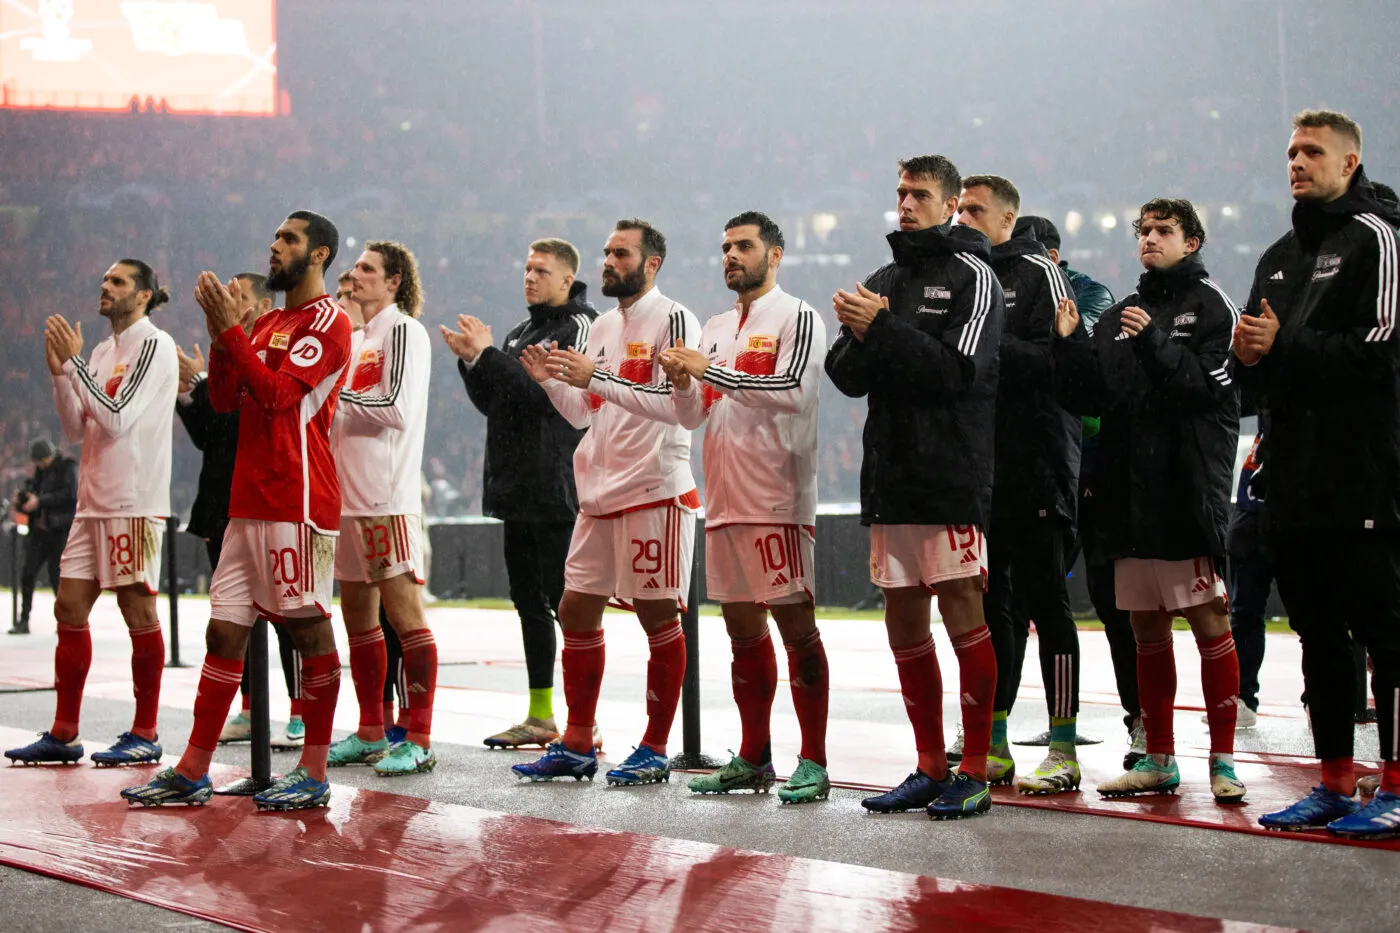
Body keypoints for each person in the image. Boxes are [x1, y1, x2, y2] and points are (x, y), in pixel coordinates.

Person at [120, 210, 353, 810]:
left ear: (320, 254)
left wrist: (230, 333)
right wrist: (222, 334)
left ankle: (315, 769)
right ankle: (194, 767)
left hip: (295, 497)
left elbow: (277, 397)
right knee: (223, 631)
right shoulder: (271, 319)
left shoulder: (329, 321)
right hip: (248, 501)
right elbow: (225, 399)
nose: (275, 246)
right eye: (273, 236)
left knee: (306, 627)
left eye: (289, 239)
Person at [1235, 110, 1400, 838]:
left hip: (1365, 471)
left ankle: (1395, 782)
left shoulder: (1381, 237)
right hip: (1293, 477)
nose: (1298, 162)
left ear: (1350, 160)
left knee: (1387, 633)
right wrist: (1245, 362)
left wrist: (1285, 345)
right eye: (1292, 151)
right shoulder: (1276, 256)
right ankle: (1334, 779)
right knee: (1317, 633)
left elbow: (1383, 351)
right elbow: (1248, 377)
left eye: (1313, 151)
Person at [825, 155, 1005, 819]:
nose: (905, 204)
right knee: (903, 619)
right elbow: (844, 374)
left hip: (950, 477)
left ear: (951, 203)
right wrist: (860, 329)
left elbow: (959, 373)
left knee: (962, 613)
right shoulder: (884, 279)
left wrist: (883, 327)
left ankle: (977, 766)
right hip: (891, 478)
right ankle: (930, 764)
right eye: (900, 192)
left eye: (920, 194)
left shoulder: (973, 277)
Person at [1052, 198, 1246, 804]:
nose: (1151, 239)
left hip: (1187, 493)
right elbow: (1090, 397)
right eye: (1144, 231)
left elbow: (1213, 389)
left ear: (1193, 241)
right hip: (1126, 499)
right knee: (1145, 627)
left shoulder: (1213, 305)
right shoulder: (1119, 316)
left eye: (1165, 231)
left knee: (1210, 618)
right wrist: (1067, 348)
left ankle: (1223, 760)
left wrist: (1157, 342)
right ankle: (1159, 757)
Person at [509, 218, 700, 786]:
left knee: (657, 615)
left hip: (653, 489)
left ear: (652, 263)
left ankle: (655, 747)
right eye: (607, 253)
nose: (609, 262)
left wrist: (598, 377)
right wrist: (552, 383)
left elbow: (681, 408)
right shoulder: (598, 329)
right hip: (599, 491)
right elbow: (584, 413)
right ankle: (575, 741)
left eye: (621, 253)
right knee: (574, 609)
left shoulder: (674, 317)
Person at [659, 211, 831, 804]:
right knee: (741, 633)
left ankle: (813, 760)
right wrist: (683, 380)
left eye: (744, 246)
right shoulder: (712, 326)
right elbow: (692, 415)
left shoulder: (799, 315)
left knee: (796, 630)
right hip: (726, 501)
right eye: (726, 247)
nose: (731, 255)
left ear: (775, 255)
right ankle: (753, 755)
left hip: (778, 498)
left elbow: (793, 391)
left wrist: (710, 369)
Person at [4, 260, 178, 766]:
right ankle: (64, 733)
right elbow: (77, 430)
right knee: (67, 609)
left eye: (118, 282)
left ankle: (145, 732)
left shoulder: (154, 345)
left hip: (133, 502)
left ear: (143, 295)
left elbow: (119, 419)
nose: (105, 287)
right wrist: (61, 374)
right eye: (103, 280)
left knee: (137, 613)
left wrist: (76, 366)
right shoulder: (102, 351)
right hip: (92, 502)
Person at [955, 177, 1083, 795]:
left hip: (1036, 465)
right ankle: (996, 741)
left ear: (1009, 216)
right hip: (986, 469)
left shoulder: (1037, 271)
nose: (965, 217)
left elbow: (1056, 360)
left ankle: (1063, 746)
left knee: (1046, 607)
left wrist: (980, 350)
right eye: (960, 207)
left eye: (976, 209)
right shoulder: (963, 273)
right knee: (991, 609)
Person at [444, 237, 597, 750]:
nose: (529, 277)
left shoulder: (578, 326)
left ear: (567, 280)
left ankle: (583, 721)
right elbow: (496, 402)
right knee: (529, 604)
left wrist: (490, 355)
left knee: (565, 604)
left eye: (540, 270)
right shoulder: (519, 332)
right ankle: (540, 715)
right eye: (526, 268)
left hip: (555, 487)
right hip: (516, 488)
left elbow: (543, 397)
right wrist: (473, 364)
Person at [1012, 215, 1142, 768]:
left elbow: (1080, 344)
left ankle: (1140, 724)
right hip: (1048, 461)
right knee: (1022, 601)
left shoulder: (1089, 293)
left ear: (1054, 256)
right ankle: (992, 726)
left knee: (1115, 603)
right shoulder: (1005, 291)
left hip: (1097, 465)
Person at [173, 272, 305, 747]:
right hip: (223, 501)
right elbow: (212, 431)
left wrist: (212, 375)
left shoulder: (278, 347)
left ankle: (299, 712)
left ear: (262, 306)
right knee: (231, 620)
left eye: (239, 297)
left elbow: (262, 406)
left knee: (291, 617)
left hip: (271, 497)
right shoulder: (230, 353)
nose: (230, 303)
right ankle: (250, 710)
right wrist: (192, 390)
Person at [325, 240, 439, 776]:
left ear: (394, 281)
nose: (355, 275)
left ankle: (418, 737)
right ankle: (372, 730)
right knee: (357, 620)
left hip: (387, 499)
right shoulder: (355, 337)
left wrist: (334, 390)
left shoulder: (404, 331)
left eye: (368, 268)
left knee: (405, 617)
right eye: (354, 267)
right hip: (345, 499)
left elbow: (395, 407)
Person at [11, 438, 77, 635]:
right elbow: (34, 498)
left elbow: (69, 495)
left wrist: (40, 501)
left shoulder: (67, 467)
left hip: (58, 531)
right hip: (39, 532)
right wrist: (22, 501)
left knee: (57, 579)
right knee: (28, 575)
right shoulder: (41, 473)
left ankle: (64, 622)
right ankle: (24, 620)